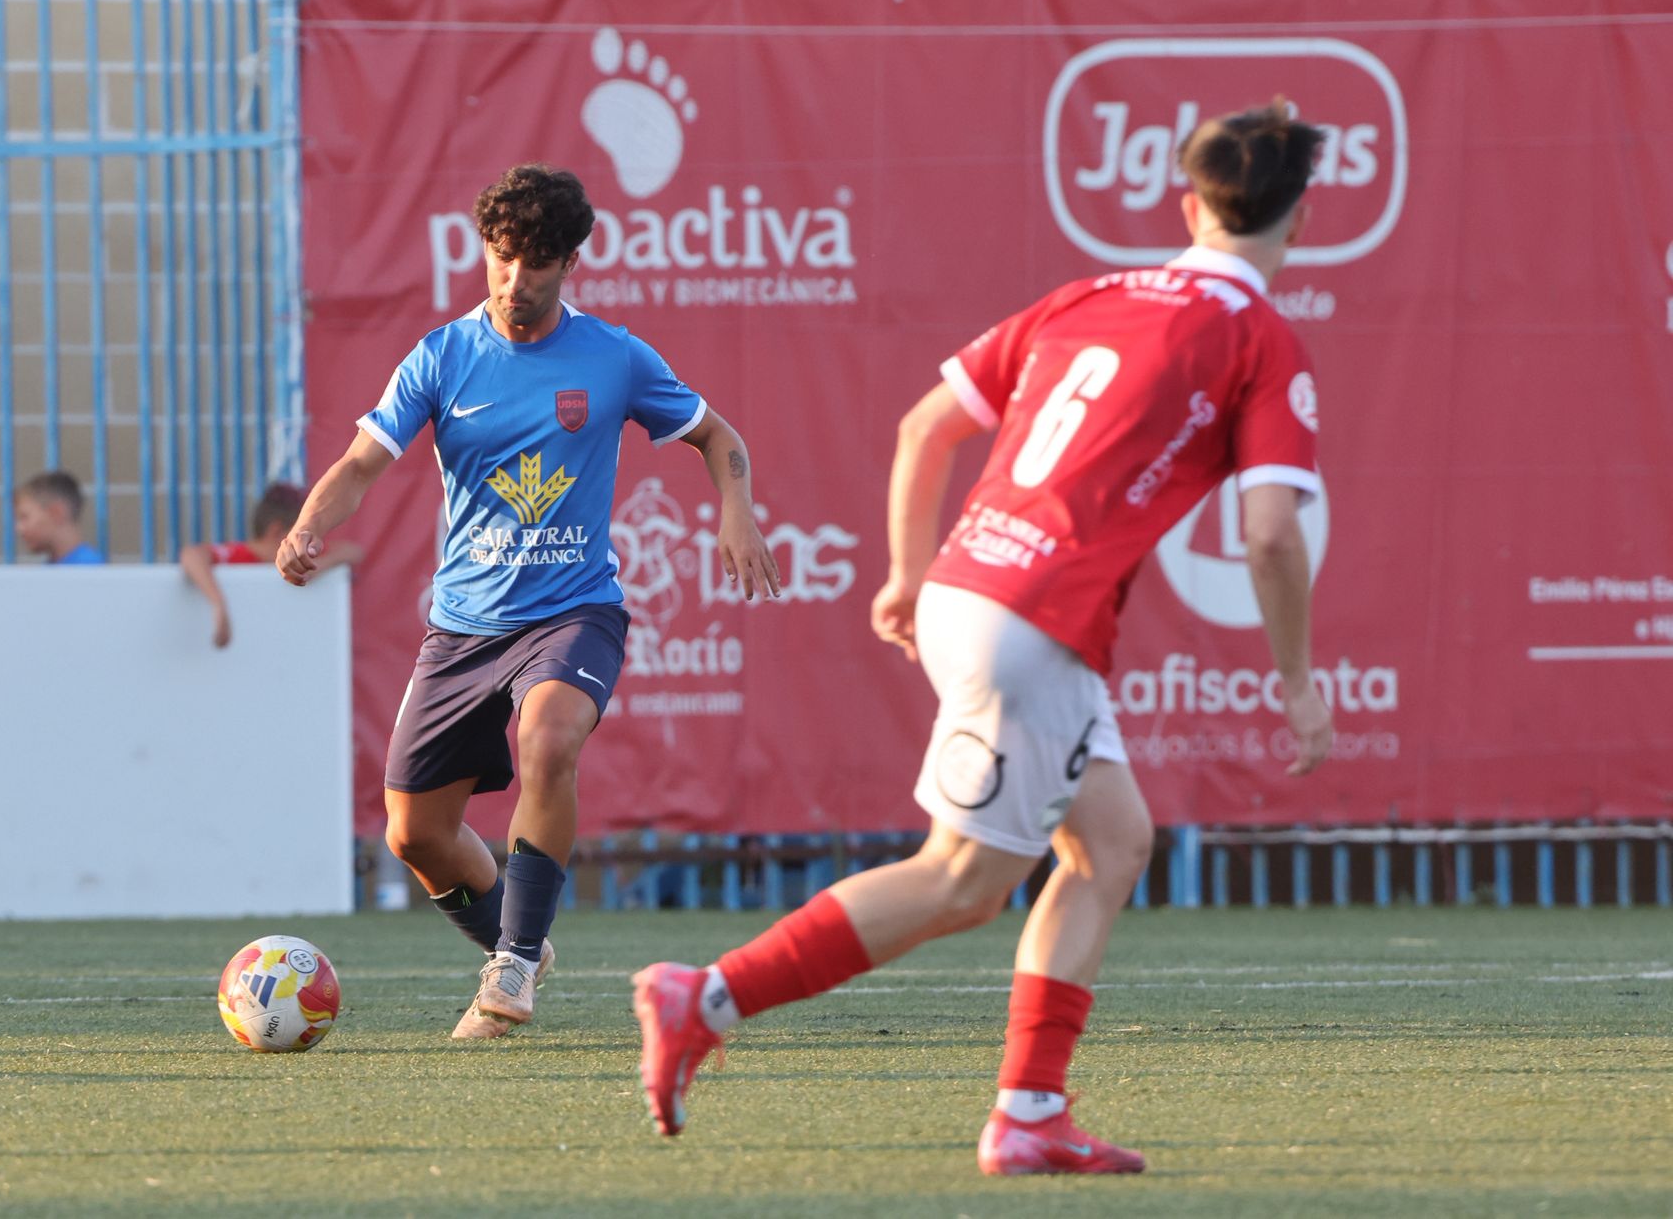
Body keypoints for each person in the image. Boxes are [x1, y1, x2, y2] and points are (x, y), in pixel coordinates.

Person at [631, 101, 1337, 1173]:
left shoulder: (1091, 294)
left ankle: (1030, 1111)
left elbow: (926, 427)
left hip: (976, 585)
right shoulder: (1262, 338)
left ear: (1188, 206)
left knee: (1111, 844)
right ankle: (708, 996)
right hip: (1033, 621)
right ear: (1300, 219)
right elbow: (1272, 534)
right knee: (961, 878)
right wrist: (1296, 681)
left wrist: (907, 573)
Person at [275, 163, 780, 1040]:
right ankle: (523, 943)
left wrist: (737, 506)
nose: (515, 281)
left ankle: (510, 967)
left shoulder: (614, 356)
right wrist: (309, 526)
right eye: (502, 259)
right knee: (414, 834)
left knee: (549, 739)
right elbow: (361, 462)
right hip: (463, 628)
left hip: (574, 611)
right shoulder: (442, 356)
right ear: (484, 252)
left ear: (570, 263)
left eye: (536, 263)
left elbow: (715, 434)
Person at [181, 483, 358, 648]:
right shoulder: (240, 555)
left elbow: (352, 551)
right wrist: (218, 605)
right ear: (276, 531)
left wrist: (321, 564)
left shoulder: (310, 554)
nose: (307, 543)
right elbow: (191, 555)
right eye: (302, 535)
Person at [15, 470, 105, 565]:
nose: (19, 528)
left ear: (57, 513)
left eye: (24, 517)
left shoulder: (88, 569)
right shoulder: (55, 566)